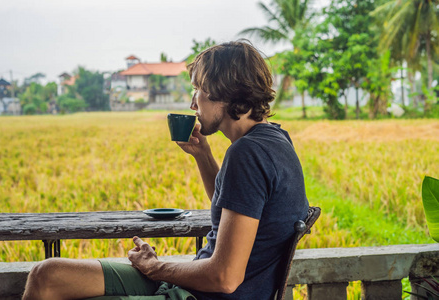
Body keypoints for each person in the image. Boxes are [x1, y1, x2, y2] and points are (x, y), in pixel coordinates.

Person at [22, 40, 309, 300]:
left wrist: (157, 267)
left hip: (200, 295)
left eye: (199, 90)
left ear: (228, 93)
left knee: (50, 281)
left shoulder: (247, 153)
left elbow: (225, 278)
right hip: (193, 285)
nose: (192, 103)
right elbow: (231, 209)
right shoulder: (275, 140)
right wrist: (203, 157)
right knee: (47, 275)